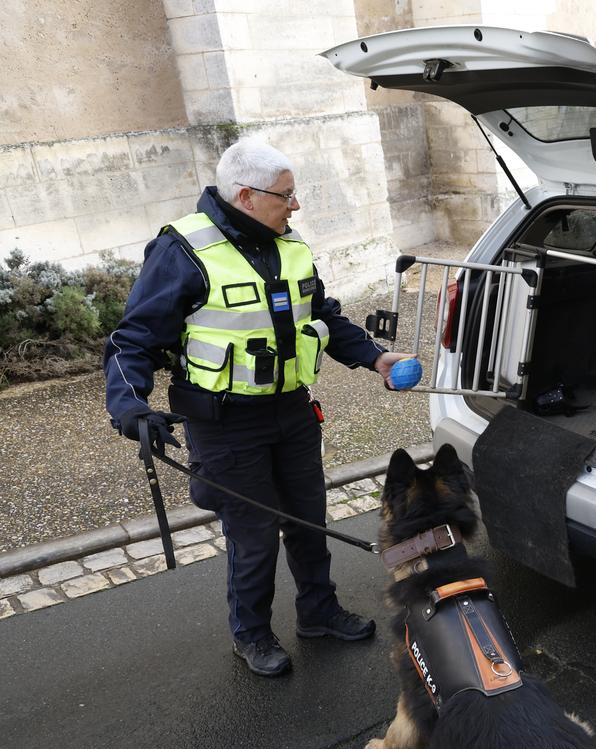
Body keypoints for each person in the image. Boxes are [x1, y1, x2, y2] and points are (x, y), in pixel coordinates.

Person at [103, 138, 408, 677]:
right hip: (224, 424)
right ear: (246, 195)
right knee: (255, 534)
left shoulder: (289, 246)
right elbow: (133, 341)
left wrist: (375, 358)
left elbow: (325, 317)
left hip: (291, 412)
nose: (296, 206)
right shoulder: (183, 251)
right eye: (286, 196)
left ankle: (318, 612)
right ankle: (252, 633)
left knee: (310, 520)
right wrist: (130, 405)